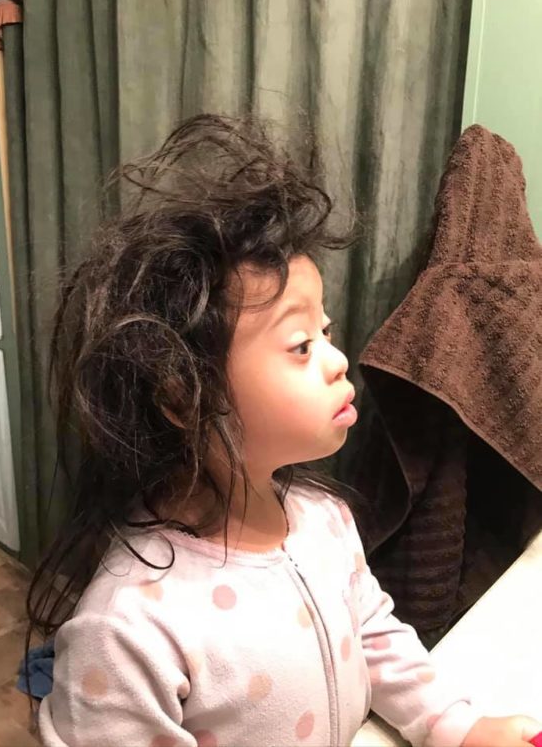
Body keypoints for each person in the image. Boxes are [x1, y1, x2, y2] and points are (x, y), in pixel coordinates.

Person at [27, 114, 542, 747]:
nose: (335, 358)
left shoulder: (325, 518)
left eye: (324, 333)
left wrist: (454, 725)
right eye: (300, 344)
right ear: (181, 396)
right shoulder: (131, 629)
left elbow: (373, 633)